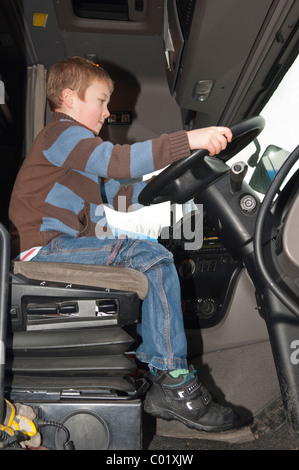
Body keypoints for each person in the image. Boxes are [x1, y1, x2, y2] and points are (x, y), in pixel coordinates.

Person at [9, 56, 239, 432]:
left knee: (147, 246)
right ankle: (172, 378)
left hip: (61, 246)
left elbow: (123, 196)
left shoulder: (79, 152)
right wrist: (187, 141)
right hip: (43, 249)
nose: (107, 111)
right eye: (100, 101)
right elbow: (116, 162)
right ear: (68, 98)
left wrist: (178, 185)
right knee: (151, 258)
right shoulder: (61, 134)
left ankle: (159, 367)